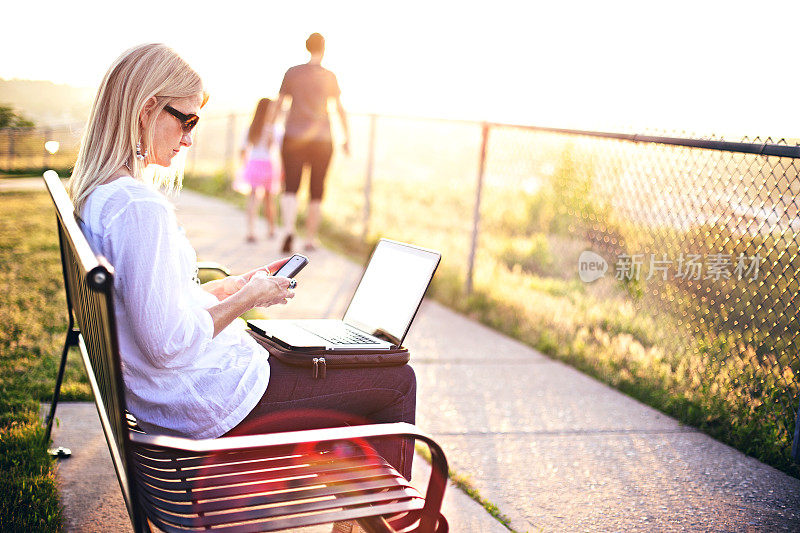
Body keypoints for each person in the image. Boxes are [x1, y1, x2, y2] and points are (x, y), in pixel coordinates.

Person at [67, 44, 415, 506]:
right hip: (209, 403)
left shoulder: (100, 195)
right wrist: (247, 299)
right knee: (396, 379)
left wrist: (229, 288)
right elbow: (168, 342)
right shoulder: (138, 209)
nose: (189, 138)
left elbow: (150, 304)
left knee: (349, 360)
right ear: (147, 108)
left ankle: (361, 509)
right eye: (186, 120)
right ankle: (384, 518)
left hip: (194, 390)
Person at [267, 32, 350, 253]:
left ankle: (288, 231)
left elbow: (279, 102)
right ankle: (311, 238)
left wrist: (269, 130)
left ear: (306, 47)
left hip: (294, 136)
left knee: (291, 187)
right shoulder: (329, 76)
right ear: (324, 49)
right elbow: (339, 108)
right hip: (323, 140)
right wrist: (347, 137)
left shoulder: (293, 73)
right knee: (317, 189)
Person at [237, 97, 281, 242]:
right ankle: (269, 229)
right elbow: (274, 148)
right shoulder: (272, 129)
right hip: (266, 164)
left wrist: (244, 165)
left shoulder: (253, 128)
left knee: (255, 198)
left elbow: (243, 149)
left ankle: (254, 231)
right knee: (267, 199)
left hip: (255, 164)